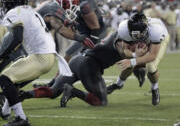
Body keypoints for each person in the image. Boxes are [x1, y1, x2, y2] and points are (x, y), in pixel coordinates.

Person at [0, 0, 76, 125]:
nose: (4, 5)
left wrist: (2, 55)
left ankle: (21, 119)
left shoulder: (15, 12)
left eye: (6, 2)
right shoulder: (29, 10)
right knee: (14, 81)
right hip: (47, 56)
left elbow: (17, 38)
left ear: (12, 2)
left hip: (40, 57)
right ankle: (5, 112)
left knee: (5, 78)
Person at [18, 31, 148, 107]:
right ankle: (73, 91)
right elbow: (125, 52)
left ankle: (24, 94)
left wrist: (137, 67)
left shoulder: (118, 34)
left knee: (53, 92)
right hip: (89, 65)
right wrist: (137, 56)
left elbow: (131, 61)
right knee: (101, 101)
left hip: (78, 60)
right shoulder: (121, 42)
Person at [107, 13, 170, 106]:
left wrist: (133, 61)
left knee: (151, 66)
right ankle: (119, 84)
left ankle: (154, 88)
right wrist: (135, 54)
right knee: (127, 59)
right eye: (134, 34)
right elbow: (125, 50)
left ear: (145, 29)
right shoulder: (125, 29)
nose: (137, 36)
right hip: (144, 38)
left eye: (139, 34)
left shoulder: (156, 30)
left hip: (157, 41)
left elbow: (152, 55)